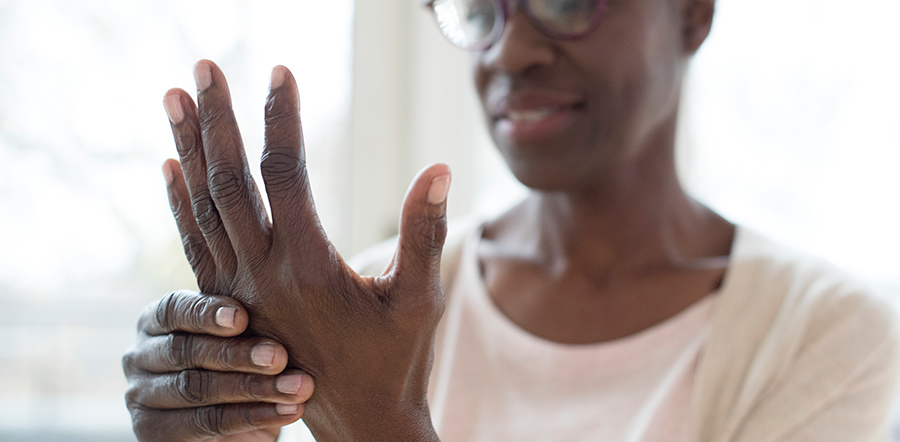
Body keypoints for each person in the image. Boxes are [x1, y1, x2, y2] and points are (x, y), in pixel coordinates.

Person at [122, 0, 900, 440]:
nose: (511, 50)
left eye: (564, 1)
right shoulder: (358, 309)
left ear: (693, 14)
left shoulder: (825, 334)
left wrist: (377, 426)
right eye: (477, 7)